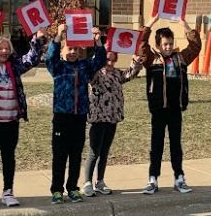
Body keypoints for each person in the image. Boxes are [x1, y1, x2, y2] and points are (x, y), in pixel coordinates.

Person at [0, 26, 49, 208]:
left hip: (10, 121)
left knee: (9, 157)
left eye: (7, 48)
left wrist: (38, 39)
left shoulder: (14, 67)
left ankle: (8, 192)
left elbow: (31, 59)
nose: (4, 51)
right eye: (0, 48)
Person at [45, 24, 107, 204]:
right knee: (59, 155)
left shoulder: (84, 66)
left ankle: (72, 188)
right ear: (63, 50)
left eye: (75, 49)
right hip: (62, 117)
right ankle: (57, 190)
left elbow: (99, 60)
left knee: (75, 155)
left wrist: (98, 42)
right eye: (69, 48)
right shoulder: (57, 67)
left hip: (79, 117)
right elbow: (50, 57)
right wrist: (58, 36)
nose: (72, 52)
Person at [141, 17, 201, 194]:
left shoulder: (180, 58)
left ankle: (179, 178)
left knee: (176, 145)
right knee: (156, 145)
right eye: (165, 44)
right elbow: (141, 43)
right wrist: (150, 24)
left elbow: (196, 47)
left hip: (175, 109)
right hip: (159, 109)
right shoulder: (151, 59)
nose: (168, 47)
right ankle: (153, 179)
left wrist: (185, 25)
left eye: (170, 43)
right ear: (159, 45)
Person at [82, 47, 143, 196]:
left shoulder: (117, 74)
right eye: (106, 59)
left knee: (104, 152)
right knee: (94, 152)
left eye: (112, 59)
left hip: (112, 118)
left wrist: (136, 61)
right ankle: (87, 182)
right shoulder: (96, 74)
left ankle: (100, 181)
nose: (109, 62)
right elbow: (89, 73)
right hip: (98, 118)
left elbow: (130, 74)